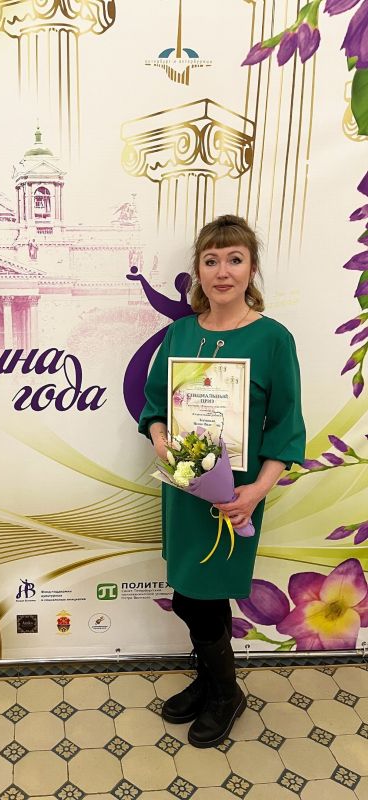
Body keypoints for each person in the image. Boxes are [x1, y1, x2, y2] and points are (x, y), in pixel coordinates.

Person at [138, 214, 305, 748]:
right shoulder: (181, 333)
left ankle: (226, 694)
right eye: (211, 260)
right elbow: (154, 404)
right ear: (198, 271)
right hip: (184, 489)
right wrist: (159, 437)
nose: (222, 271)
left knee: (205, 598)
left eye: (235, 259)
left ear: (251, 269)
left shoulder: (273, 339)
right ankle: (211, 681)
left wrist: (256, 493)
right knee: (188, 594)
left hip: (236, 495)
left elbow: (287, 427)